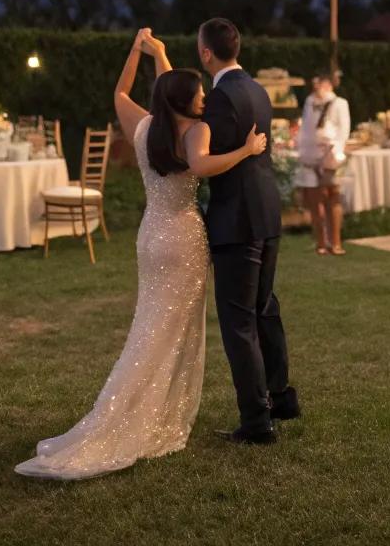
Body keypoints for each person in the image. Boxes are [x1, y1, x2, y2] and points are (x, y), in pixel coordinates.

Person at [14, 28, 266, 480]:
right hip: (184, 238)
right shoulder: (195, 132)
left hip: (151, 236)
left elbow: (124, 91)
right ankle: (148, 414)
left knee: (150, 324)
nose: (206, 100)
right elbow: (204, 166)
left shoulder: (145, 125)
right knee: (171, 330)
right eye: (200, 96)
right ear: (187, 102)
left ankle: (133, 407)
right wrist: (247, 149)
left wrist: (144, 51)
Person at [198, 16, 300, 445]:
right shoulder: (257, 90)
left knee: (239, 321)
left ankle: (257, 421)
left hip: (237, 218)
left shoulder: (221, 98)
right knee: (264, 308)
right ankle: (281, 397)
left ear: (206, 53)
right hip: (267, 211)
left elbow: (215, 159)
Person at [296, 72, 351, 256]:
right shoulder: (310, 102)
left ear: (328, 85)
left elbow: (343, 130)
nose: (316, 88)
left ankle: (335, 242)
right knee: (314, 200)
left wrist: (335, 154)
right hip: (311, 156)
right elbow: (305, 129)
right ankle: (321, 241)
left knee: (332, 197)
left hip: (330, 155)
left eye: (319, 84)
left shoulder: (339, 103)